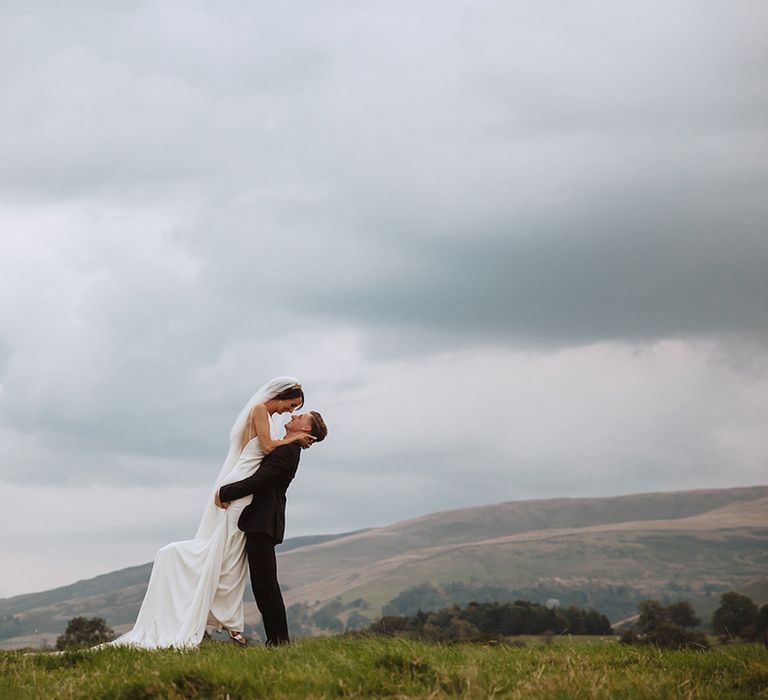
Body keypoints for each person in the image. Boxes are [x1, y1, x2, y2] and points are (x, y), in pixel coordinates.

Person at [108, 377, 315, 649]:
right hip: (246, 498)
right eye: (291, 405)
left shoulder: (287, 447)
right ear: (281, 395)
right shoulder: (263, 415)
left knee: (237, 563)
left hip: (255, 510)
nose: (290, 411)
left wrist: (294, 439)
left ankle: (242, 625)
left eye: (297, 411)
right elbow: (264, 449)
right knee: (231, 558)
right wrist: (228, 492)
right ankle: (234, 622)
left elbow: (264, 467)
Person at [216, 410, 328, 645]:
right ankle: (277, 641)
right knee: (263, 584)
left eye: (300, 416)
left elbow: (260, 481)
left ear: (305, 429)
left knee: (266, 584)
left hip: (263, 522)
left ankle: (279, 641)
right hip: (261, 521)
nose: (294, 416)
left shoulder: (288, 451)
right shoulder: (288, 446)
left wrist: (224, 492)